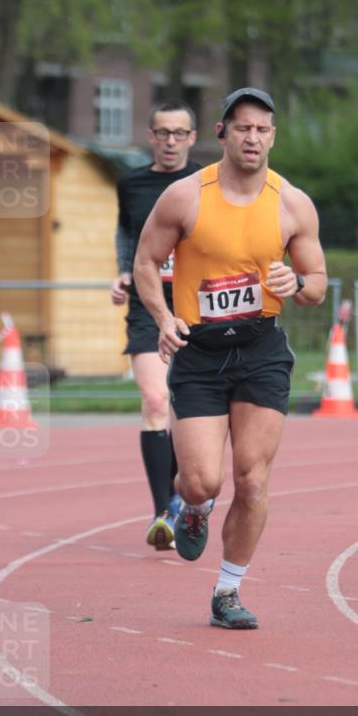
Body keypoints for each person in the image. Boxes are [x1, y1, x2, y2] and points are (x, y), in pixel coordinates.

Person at [134, 87, 327, 628]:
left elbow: (317, 281)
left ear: (273, 137)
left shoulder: (292, 203)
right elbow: (146, 262)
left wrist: (297, 283)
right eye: (243, 127)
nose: (253, 138)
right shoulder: (185, 196)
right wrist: (164, 318)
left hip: (261, 349)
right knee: (202, 481)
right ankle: (194, 509)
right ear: (221, 133)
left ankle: (227, 592)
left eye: (262, 129)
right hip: (199, 351)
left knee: (253, 478)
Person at [111, 100, 199, 549]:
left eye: (178, 133)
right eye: (162, 133)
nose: (170, 141)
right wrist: (124, 271)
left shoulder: (207, 181)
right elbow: (127, 233)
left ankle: (183, 497)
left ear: (192, 138)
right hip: (148, 305)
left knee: (184, 410)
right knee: (154, 399)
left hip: (195, 307)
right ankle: (163, 511)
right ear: (150, 136)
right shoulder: (131, 183)